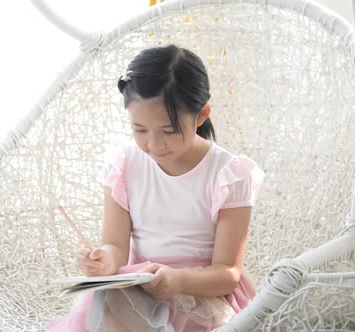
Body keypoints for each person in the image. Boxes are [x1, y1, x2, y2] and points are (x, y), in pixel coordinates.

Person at [48, 44, 264, 331]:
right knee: (110, 303)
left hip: (199, 294)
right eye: (140, 130)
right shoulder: (124, 163)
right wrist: (104, 262)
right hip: (135, 290)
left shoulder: (229, 174)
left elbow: (228, 274)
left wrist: (176, 281)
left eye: (169, 131)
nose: (154, 144)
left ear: (201, 115)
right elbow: (115, 245)